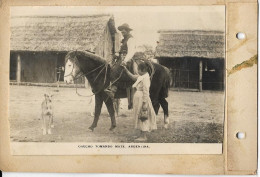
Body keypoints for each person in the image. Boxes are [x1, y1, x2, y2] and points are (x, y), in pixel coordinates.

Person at [123, 62, 157, 141]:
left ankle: (144, 136)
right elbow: (133, 77)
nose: (137, 71)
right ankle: (141, 134)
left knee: (143, 116)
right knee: (139, 115)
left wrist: (144, 103)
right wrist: (125, 70)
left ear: (143, 70)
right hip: (139, 99)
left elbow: (146, 91)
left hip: (142, 99)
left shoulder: (145, 78)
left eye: (138, 70)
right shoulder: (142, 76)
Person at [105, 23, 136, 109]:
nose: (122, 31)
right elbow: (122, 51)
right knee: (110, 68)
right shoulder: (124, 40)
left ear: (128, 30)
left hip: (128, 60)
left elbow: (131, 52)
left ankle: (113, 90)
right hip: (121, 59)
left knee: (116, 71)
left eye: (124, 29)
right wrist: (117, 54)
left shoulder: (130, 39)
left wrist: (125, 61)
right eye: (121, 30)